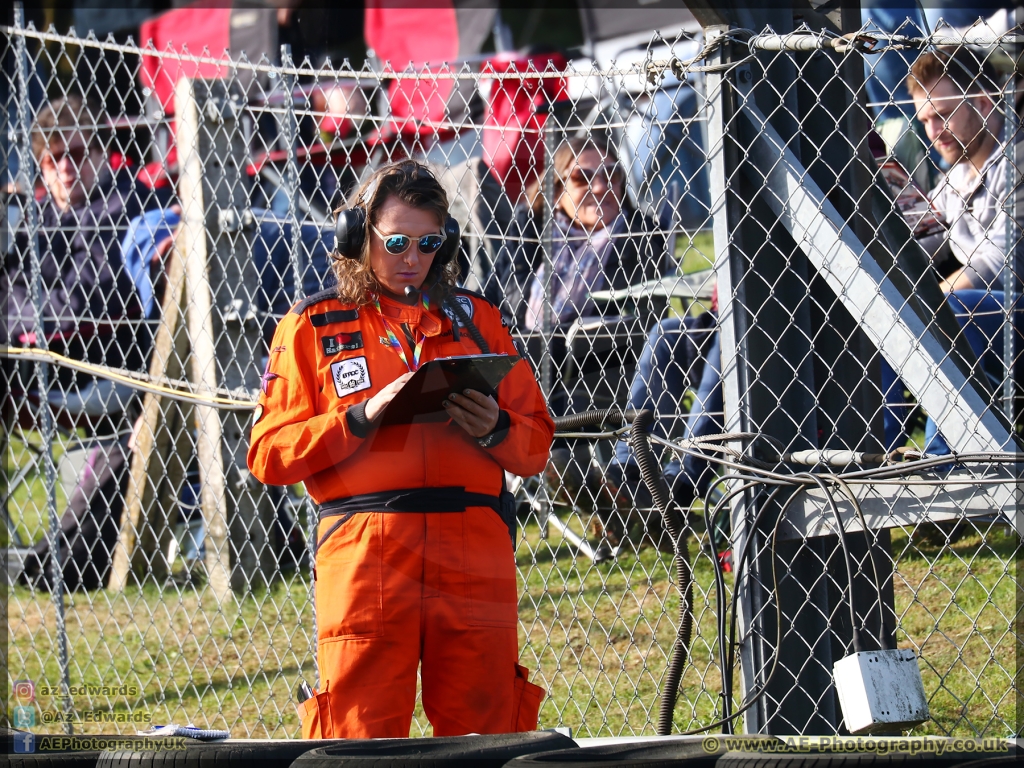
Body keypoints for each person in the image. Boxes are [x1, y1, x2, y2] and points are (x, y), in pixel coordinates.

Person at [247, 160, 554, 739]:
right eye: (395, 241)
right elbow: (269, 454)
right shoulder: (314, 325)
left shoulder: (478, 321)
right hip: (366, 553)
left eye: (428, 243)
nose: (412, 257)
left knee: (485, 736)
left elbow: (536, 446)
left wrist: (495, 428)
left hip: (473, 550)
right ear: (356, 236)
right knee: (362, 736)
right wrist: (356, 420)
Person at [4, 94, 166, 591]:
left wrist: (28, 316)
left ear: (101, 153)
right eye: (53, 160)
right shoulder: (32, 218)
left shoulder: (128, 205)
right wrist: (31, 319)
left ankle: (53, 564)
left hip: (105, 368)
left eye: (77, 153)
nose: (66, 169)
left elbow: (89, 299)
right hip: (33, 366)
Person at [883, 46, 1022, 455]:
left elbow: (1003, 264)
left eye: (942, 115)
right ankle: (876, 458)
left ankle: (943, 467)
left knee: (957, 309)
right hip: (984, 315)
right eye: (925, 119)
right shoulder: (954, 176)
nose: (933, 131)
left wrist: (929, 300)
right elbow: (928, 248)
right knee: (886, 310)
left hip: (1010, 312)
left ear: (982, 102)